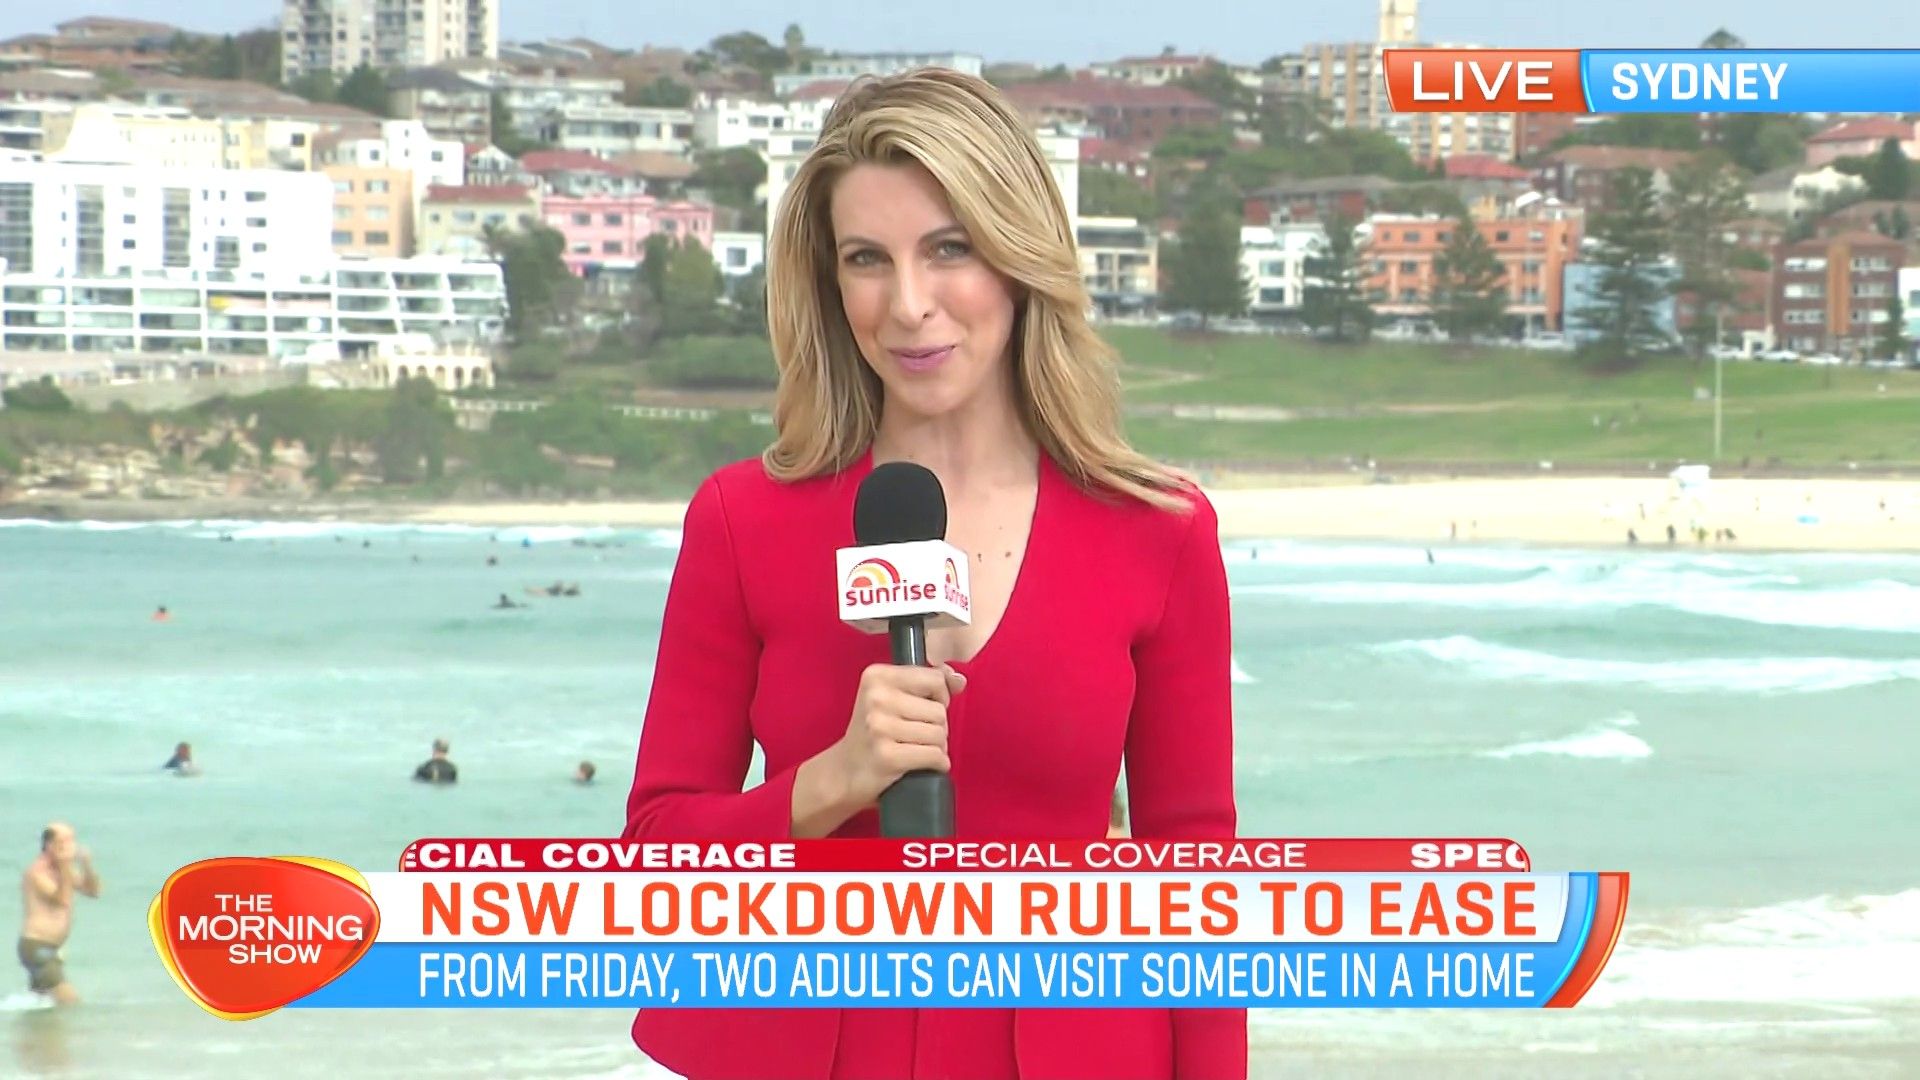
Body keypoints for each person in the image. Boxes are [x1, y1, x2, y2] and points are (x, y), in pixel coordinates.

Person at [622, 68, 1241, 1080]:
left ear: (1018, 257)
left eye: (949, 249)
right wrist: (827, 784)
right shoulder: (743, 522)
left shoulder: (1158, 532)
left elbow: (1197, 873)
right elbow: (654, 853)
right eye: (867, 259)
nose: (909, 305)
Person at [18, 823, 101, 1005]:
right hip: (37, 946)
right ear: (50, 845)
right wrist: (64, 865)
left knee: (42, 1006)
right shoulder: (36, 872)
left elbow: (94, 892)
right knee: (70, 1003)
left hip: (53, 947)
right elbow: (62, 899)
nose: (71, 846)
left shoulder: (64, 871)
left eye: (72, 840)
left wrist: (86, 865)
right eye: (65, 841)